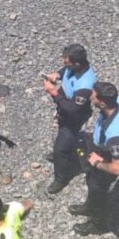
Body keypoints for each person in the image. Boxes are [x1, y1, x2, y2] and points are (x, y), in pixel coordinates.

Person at [69, 81, 119, 236]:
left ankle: (98, 224)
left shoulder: (115, 135)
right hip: (99, 148)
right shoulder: (117, 101)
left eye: (93, 96)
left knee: (98, 193)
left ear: (102, 103)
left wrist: (98, 163)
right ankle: (88, 206)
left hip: (105, 158)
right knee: (91, 184)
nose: (90, 97)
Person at [43, 43, 96, 194]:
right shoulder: (73, 67)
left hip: (74, 116)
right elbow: (66, 70)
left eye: (67, 63)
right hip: (64, 110)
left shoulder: (85, 84)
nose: (64, 65)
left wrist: (54, 92)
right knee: (65, 140)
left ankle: (61, 179)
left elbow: (73, 109)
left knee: (60, 148)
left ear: (77, 64)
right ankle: (70, 150)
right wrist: (57, 74)